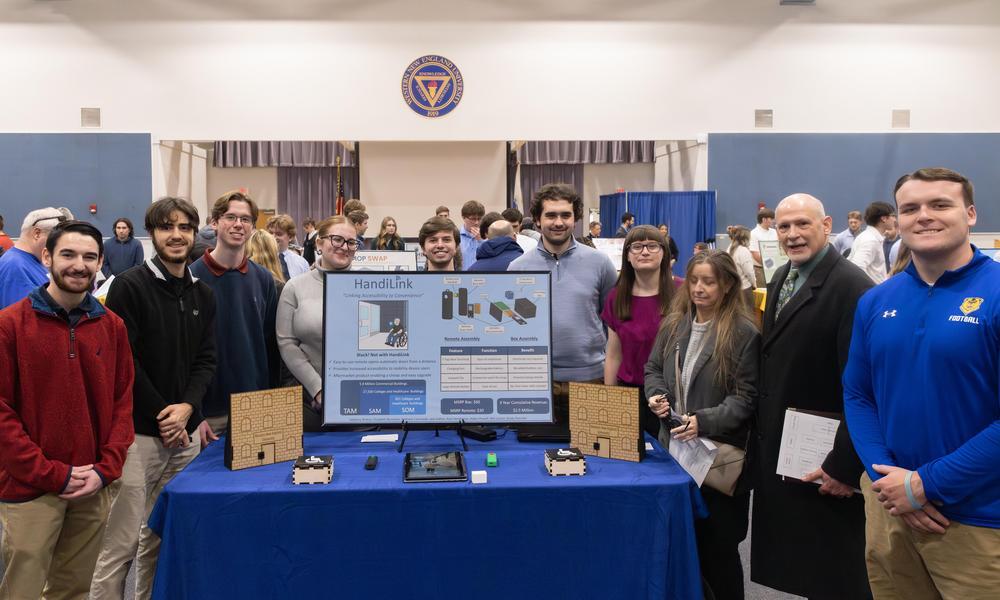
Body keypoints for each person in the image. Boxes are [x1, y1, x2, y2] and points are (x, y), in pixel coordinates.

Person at [844, 167, 1000, 598]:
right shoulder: (876, 301)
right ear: (896, 219)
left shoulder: (996, 291)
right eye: (910, 208)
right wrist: (890, 482)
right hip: (888, 509)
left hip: (978, 520)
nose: (924, 216)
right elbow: (858, 395)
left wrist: (924, 484)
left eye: (940, 205)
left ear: (970, 214)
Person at [0, 220, 134, 599]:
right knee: (20, 591)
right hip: (29, 487)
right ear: (47, 257)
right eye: (68, 255)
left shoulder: (112, 327)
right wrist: (49, 473)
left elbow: (122, 402)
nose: (79, 265)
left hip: (91, 485)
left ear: (100, 262)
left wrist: (106, 468)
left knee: (74, 590)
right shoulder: (9, 327)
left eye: (89, 257)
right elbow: (2, 414)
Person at [91, 197, 216, 600]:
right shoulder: (128, 287)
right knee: (120, 545)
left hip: (184, 437)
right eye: (166, 227)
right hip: (138, 438)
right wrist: (166, 415)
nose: (176, 235)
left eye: (184, 227)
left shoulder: (204, 295)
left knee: (161, 540)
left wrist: (187, 410)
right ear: (153, 235)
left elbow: (206, 360)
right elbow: (126, 364)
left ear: (195, 234)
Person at [750, 193, 874, 599]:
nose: (792, 234)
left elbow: (860, 387)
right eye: (784, 226)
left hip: (828, 460)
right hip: (789, 449)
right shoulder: (783, 276)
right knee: (806, 567)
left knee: (837, 570)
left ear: (826, 226)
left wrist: (842, 464)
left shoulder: (853, 288)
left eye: (803, 224)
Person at [645, 250, 758, 600]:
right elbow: (652, 369)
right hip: (674, 454)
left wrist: (703, 421)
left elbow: (745, 399)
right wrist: (657, 396)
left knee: (719, 553)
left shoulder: (743, 332)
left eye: (708, 281)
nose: (699, 288)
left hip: (717, 460)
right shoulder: (675, 323)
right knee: (682, 545)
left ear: (726, 285)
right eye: (694, 280)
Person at [509, 183, 617, 423]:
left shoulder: (600, 263)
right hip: (535, 384)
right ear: (537, 220)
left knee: (594, 457)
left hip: (590, 379)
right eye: (550, 215)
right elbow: (513, 327)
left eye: (565, 215)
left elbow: (614, 324)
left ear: (575, 218)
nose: (558, 222)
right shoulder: (517, 268)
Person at [189, 191, 278, 439]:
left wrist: (269, 403)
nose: (238, 224)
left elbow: (271, 346)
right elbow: (182, 355)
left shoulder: (263, 279)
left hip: (254, 407)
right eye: (230, 217)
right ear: (215, 222)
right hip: (208, 413)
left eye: (246, 219)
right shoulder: (191, 280)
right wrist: (195, 412)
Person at [277, 215, 358, 431]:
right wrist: (318, 388)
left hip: (364, 403)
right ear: (319, 243)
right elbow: (287, 345)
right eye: (337, 239)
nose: (345, 247)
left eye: (351, 242)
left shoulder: (373, 286)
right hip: (311, 405)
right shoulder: (294, 288)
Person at [601, 225, 674, 437]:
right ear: (628, 257)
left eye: (652, 246)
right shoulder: (616, 297)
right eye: (637, 247)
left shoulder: (682, 293)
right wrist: (611, 400)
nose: (644, 251)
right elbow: (613, 355)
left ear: (664, 254)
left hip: (669, 398)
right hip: (629, 395)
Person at [0, 207, 71, 309]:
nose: (60, 244)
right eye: (56, 238)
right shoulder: (15, 267)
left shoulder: (32, 261)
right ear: (37, 233)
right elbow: (23, 318)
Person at [848, 201, 896, 284]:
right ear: (883, 218)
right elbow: (857, 268)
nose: (895, 219)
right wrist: (872, 291)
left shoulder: (869, 237)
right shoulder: (870, 240)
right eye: (893, 216)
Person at [266, 214, 310, 280]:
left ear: (290, 237)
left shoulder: (301, 263)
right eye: (271, 233)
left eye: (279, 234)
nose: (273, 237)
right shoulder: (260, 260)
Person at [727, 225, 756, 306]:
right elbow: (749, 272)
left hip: (732, 289)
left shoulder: (729, 249)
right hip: (744, 290)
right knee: (747, 315)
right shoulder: (743, 251)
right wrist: (754, 284)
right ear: (745, 238)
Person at [749, 208, 777, 287]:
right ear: (764, 219)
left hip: (774, 269)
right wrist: (769, 265)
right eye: (771, 218)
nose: (773, 221)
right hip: (760, 270)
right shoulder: (754, 233)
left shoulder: (774, 232)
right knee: (764, 293)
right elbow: (755, 254)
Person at [458, 200, 485, 270]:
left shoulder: (487, 237)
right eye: (473, 219)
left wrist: (481, 240)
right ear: (463, 217)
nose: (476, 222)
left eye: (479, 219)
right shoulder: (456, 237)